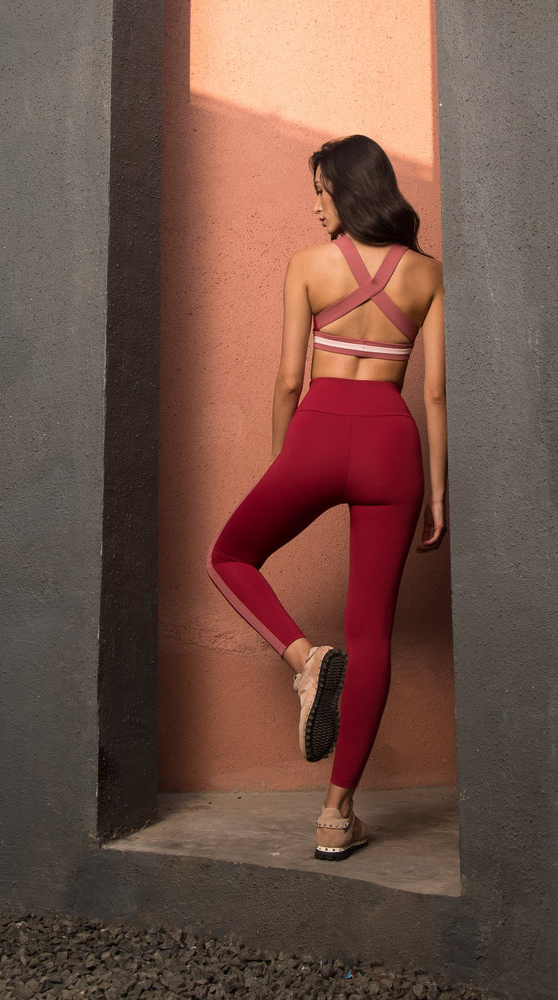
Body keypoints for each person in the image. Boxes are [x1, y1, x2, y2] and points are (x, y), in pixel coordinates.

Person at [207, 135, 446, 861]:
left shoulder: (307, 266)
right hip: (391, 446)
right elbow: (436, 392)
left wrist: (288, 464)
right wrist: (438, 492)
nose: (316, 205)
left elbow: (288, 379)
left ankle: (306, 659)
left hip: (318, 432)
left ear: (347, 189)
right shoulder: (428, 274)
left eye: (321, 190)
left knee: (228, 557)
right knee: (372, 634)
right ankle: (336, 818)